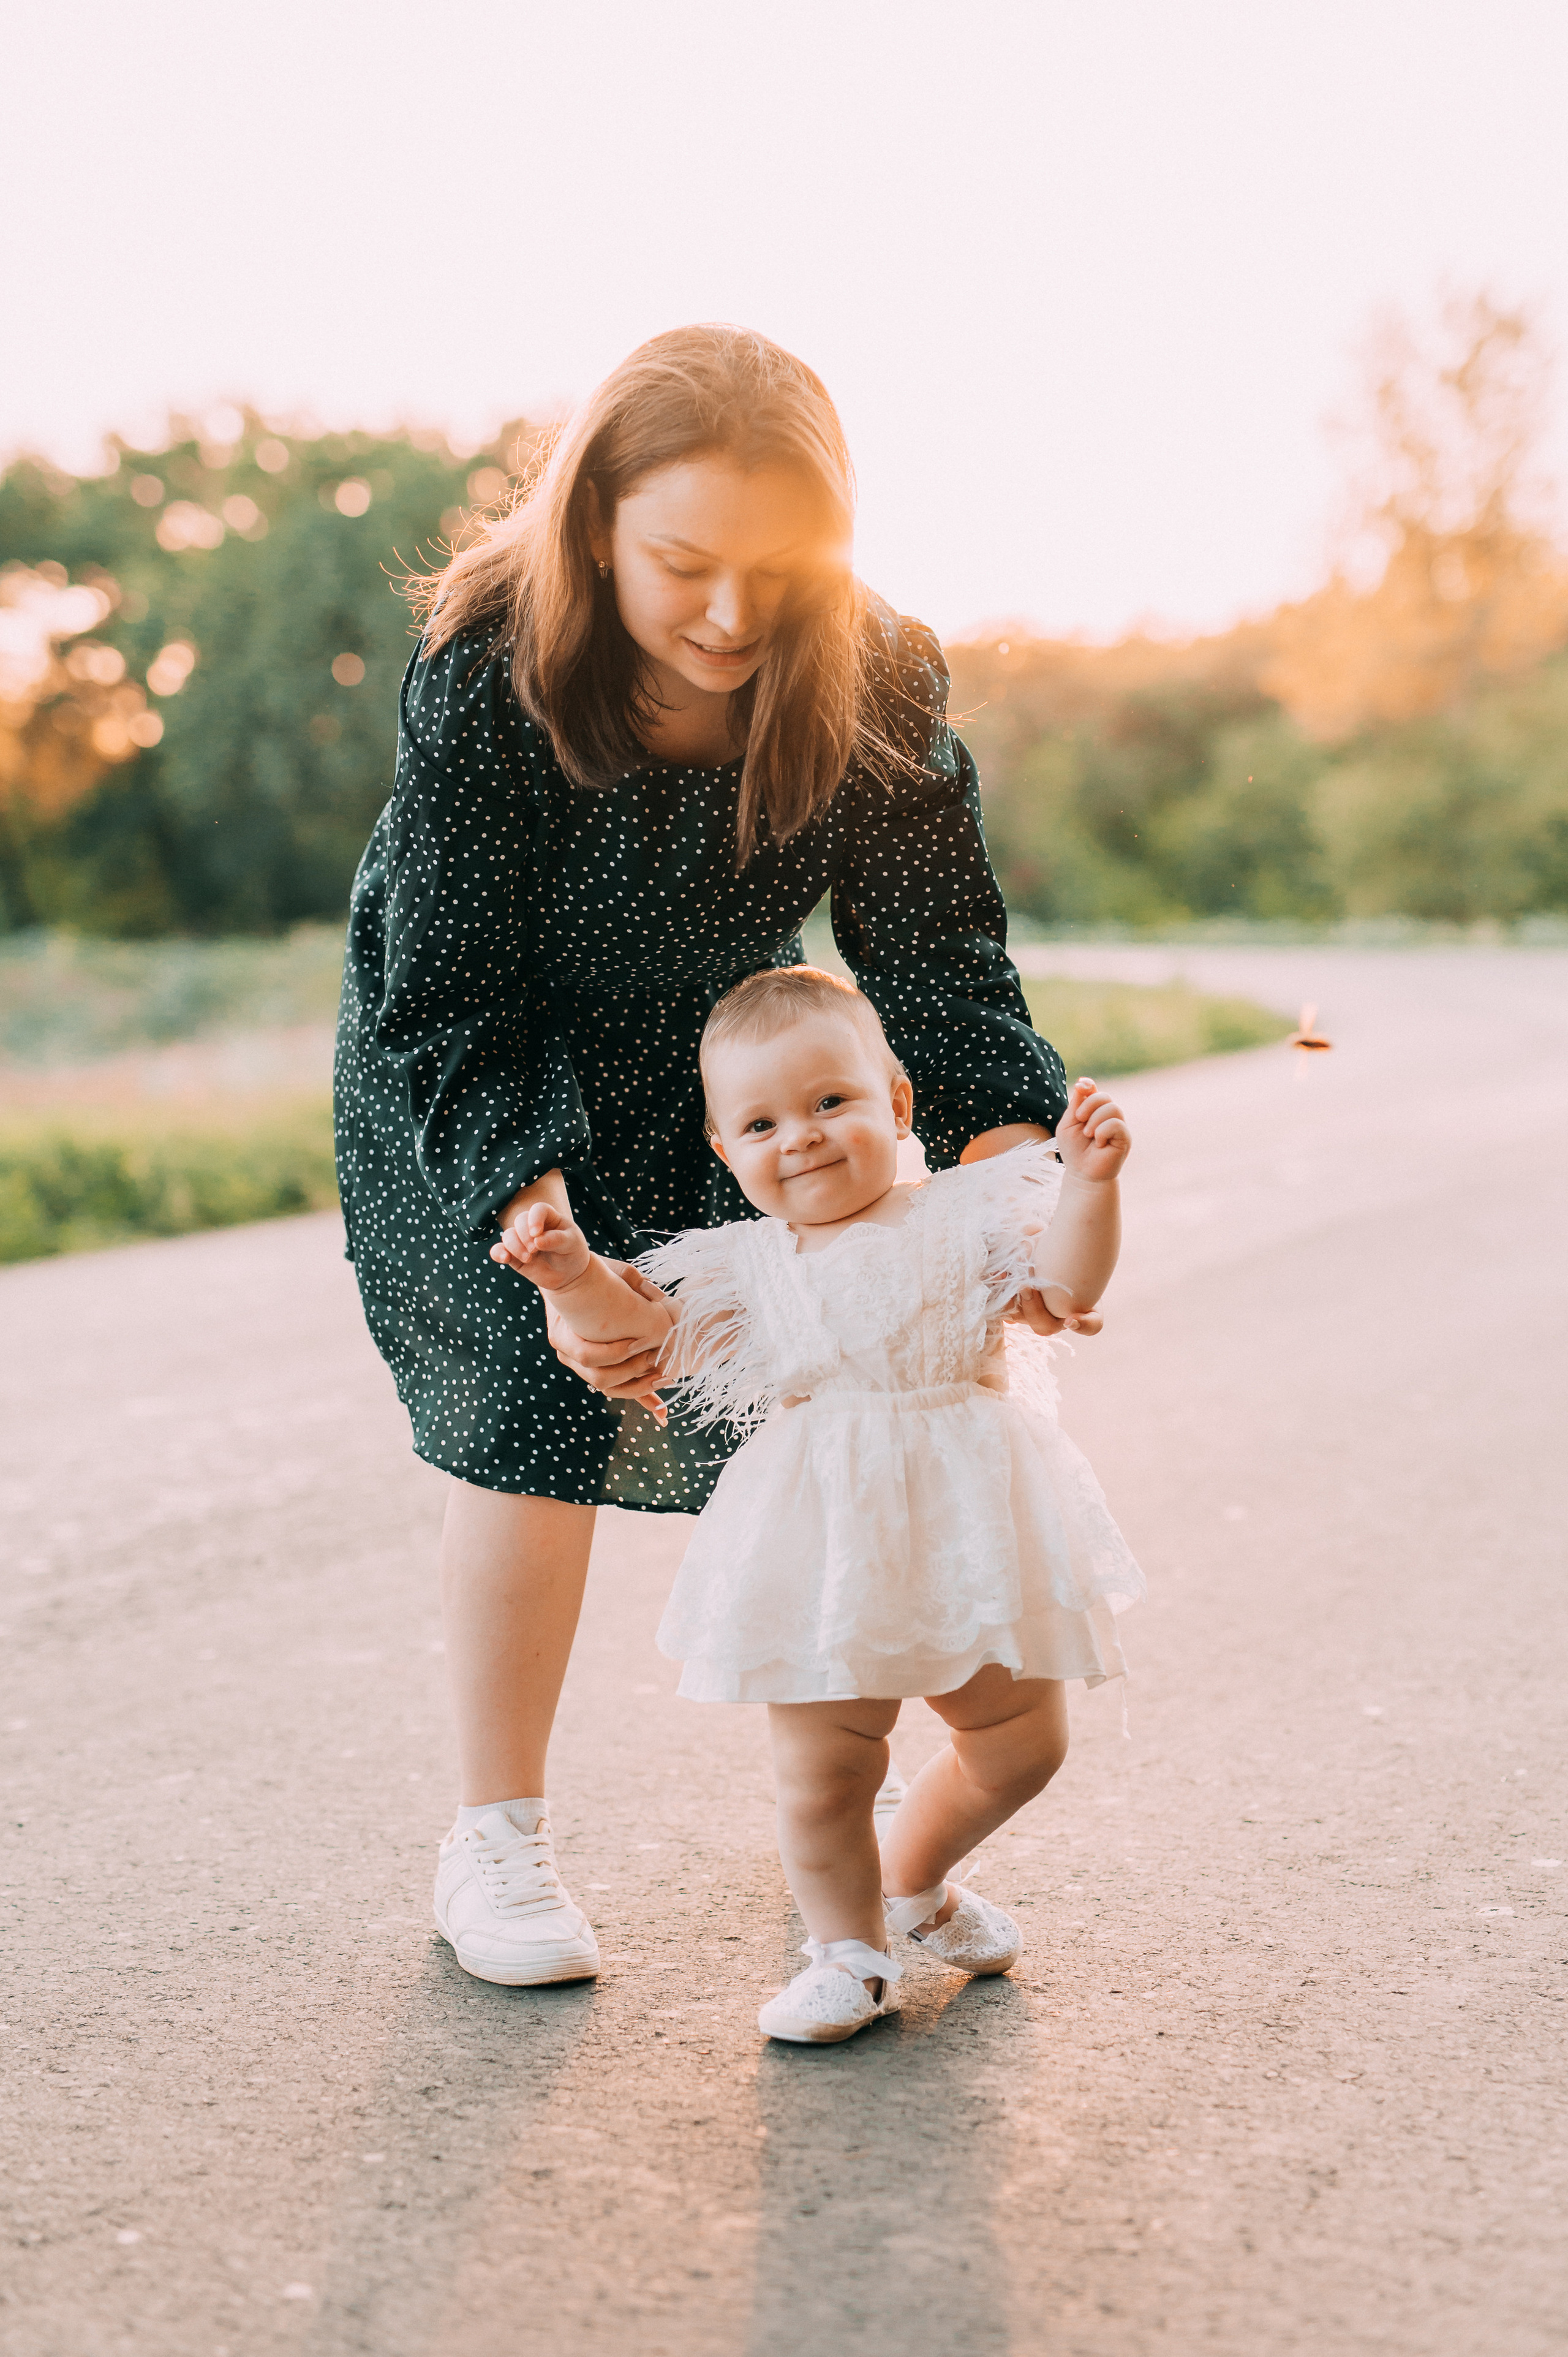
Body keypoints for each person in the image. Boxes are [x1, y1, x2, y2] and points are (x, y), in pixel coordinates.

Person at [334, 324, 1077, 1991]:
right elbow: (453, 990)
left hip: (725, 1063)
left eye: (777, 569)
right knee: (540, 1410)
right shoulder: (487, 672)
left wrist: (1016, 1184)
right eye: (685, 564)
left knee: (833, 1395)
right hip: (478, 1059)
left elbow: (937, 949)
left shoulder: (874, 668)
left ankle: (860, 1845)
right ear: (598, 520)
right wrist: (544, 1235)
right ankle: (496, 1844)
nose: (734, 616)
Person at [495, 965, 1144, 2041]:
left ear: (895, 1104)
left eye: (829, 1103)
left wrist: (1092, 1187)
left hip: (970, 1525)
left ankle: (915, 1882)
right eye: (760, 1122)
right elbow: (643, 1330)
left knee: (1024, 1741)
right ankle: (848, 1953)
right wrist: (570, 1277)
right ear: (724, 1150)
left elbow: (1066, 1293)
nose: (799, 1136)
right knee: (826, 1767)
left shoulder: (967, 1214)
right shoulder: (747, 1265)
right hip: (824, 1543)